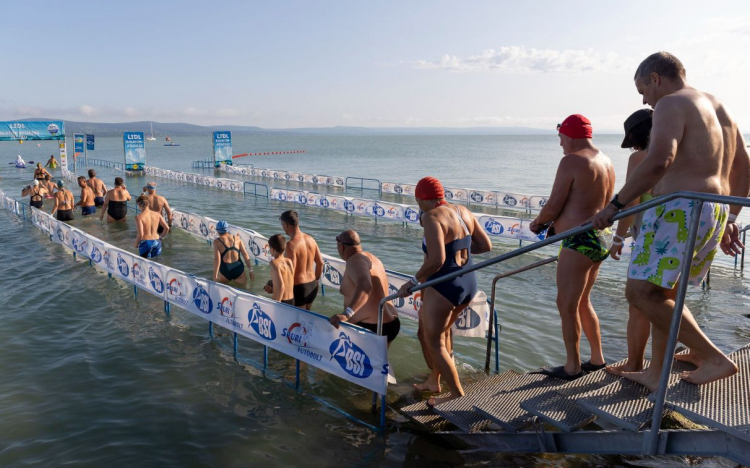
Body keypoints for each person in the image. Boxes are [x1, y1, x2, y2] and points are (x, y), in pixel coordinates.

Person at [591, 51, 750, 389]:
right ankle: (656, 373)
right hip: (713, 207)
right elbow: (744, 165)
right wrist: (732, 216)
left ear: (655, 78)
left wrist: (615, 206)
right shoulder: (719, 107)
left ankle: (712, 357)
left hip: (679, 208)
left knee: (639, 293)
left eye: (643, 91)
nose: (646, 101)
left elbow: (660, 159)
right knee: (663, 293)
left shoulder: (670, 104)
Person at [528, 114, 615, 381]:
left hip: (578, 240)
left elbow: (554, 205)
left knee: (565, 304)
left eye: (561, 138)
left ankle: (572, 367)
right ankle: (597, 358)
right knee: (582, 301)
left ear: (571, 135)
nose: (561, 144)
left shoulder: (572, 160)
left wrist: (537, 224)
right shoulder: (606, 160)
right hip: (601, 238)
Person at [397, 177, 492, 405]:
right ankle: (434, 381)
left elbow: (436, 260)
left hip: (444, 286)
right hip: (468, 282)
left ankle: (456, 395)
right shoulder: (462, 211)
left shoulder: (431, 217)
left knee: (435, 342)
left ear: (421, 199)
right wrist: (458, 256)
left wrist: (412, 281)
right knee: (444, 333)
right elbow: (485, 245)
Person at [606, 109, 654, 375]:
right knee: (664, 301)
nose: (632, 147)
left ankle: (635, 363)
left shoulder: (640, 158)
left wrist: (617, 238)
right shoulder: (676, 156)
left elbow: (631, 201)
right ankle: (657, 363)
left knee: (638, 303)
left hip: (651, 239)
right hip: (677, 236)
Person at [329, 230, 401, 345]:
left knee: (353, 362)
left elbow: (366, 286)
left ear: (341, 246)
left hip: (372, 327)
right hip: (390, 322)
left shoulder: (355, 261)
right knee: (378, 362)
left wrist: (346, 314)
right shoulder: (373, 258)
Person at [279, 210, 323, 310]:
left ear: (286, 225)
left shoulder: (290, 245)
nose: (282, 227)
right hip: (313, 285)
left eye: (282, 224)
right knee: (306, 322)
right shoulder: (311, 239)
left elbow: (290, 271)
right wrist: (316, 280)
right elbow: (320, 263)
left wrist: (275, 286)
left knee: (297, 322)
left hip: (300, 288)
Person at [212, 220, 254, 285]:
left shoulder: (217, 242)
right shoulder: (237, 239)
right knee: (243, 291)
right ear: (228, 229)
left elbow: (217, 260)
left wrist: (215, 276)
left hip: (225, 270)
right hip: (238, 269)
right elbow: (245, 255)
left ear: (218, 231)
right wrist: (250, 270)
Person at [263, 234, 295, 304]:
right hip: (291, 299)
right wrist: (273, 284)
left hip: (281, 301)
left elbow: (281, 287)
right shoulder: (289, 261)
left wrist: (276, 305)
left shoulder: (274, 263)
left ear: (273, 249)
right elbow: (289, 281)